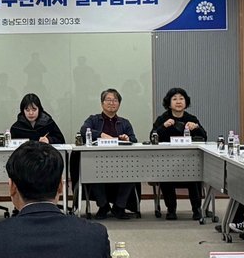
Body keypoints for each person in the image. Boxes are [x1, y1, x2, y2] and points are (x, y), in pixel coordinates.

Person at [80, 88, 138, 220]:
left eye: (115, 100)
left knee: (133, 172)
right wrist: (101, 134)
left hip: (122, 162)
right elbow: (83, 131)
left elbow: (134, 139)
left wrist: (127, 138)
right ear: (102, 103)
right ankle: (103, 206)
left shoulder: (124, 122)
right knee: (92, 171)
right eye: (108, 100)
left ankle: (119, 206)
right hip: (98, 161)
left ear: (119, 104)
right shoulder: (93, 119)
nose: (112, 103)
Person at [150, 87, 207, 219]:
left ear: (186, 102)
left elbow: (204, 137)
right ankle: (171, 210)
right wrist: (163, 126)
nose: (178, 101)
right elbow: (152, 137)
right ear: (169, 103)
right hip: (167, 162)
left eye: (181, 99)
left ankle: (197, 209)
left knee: (194, 176)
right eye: (174, 99)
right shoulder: (163, 118)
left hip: (189, 161)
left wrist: (196, 127)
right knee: (166, 176)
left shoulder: (191, 118)